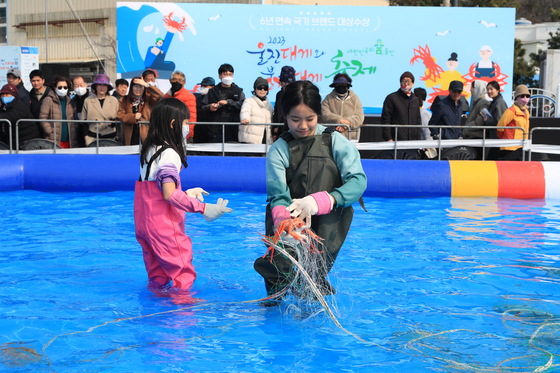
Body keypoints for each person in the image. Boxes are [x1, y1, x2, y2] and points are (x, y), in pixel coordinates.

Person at [253, 80, 367, 296]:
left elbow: (358, 181)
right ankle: (274, 300)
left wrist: (324, 200)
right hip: (290, 219)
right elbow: (278, 195)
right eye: (295, 120)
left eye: (310, 119)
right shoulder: (279, 149)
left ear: (318, 116)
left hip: (327, 218)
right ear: (285, 116)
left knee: (313, 275)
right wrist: (285, 221)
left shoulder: (336, 142)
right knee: (280, 268)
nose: (303, 126)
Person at [135, 98, 232, 289]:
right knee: (183, 275)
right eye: (186, 122)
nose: (188, 127)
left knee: (158, 278)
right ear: (174, 124)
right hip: (164, 227)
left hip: (144, 225)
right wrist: (203, 207)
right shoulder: (170, 152)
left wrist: (186, 193)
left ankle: (156, 316)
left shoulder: (149, 149)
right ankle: (183, 316)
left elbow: (157, 189)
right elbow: (169, 195)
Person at [201, 63, 245, 143]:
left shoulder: (239, 91)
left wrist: (228, 102)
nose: (228, 76)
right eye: (225, 74)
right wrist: (210, 107)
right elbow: (203, 107)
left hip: (233, 130)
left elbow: (243, 105)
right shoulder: (212, 91)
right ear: (220, 76)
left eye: (230, 74)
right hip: (215, 131)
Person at [118, 76, 163, 145]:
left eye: (141, 87)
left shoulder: (149, 98)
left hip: (146, 134)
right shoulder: (124, 100)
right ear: (131, 88)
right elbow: (120, 115)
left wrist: (146, 84)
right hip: (130, 134)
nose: (138, 89)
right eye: (135, 86)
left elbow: (159, 95)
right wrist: (133, 117)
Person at [321, 73, 364, 141]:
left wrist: (347, 123)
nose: (340, 86)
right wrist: (340, 120)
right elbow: (325, 114)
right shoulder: (328, 98)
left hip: (351, 137)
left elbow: (360, 116)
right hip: (332, 136)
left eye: (343, 84)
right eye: (338, 84)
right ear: (334, 85)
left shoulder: (355, 98)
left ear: (347, 86)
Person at [39, 75, 78, 148]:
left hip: (70, 140)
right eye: (60, 87)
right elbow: (42, 117)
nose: (63, 89)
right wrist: (50, 132)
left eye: (65, 87)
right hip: (54, 139)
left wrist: (75, 129)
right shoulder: (48, 100)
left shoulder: (70, 101)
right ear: (54, 87)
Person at [381, 71, 421, 142]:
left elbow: (417, 121)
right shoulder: (392, 98)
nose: (406, 84)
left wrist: (418, 139)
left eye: (408, 81)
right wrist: (388, 138)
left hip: (413, 141)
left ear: (413, 83)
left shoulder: (415, 100)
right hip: (396, 140)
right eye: (403, 81)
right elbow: (386, 119)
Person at [82, 74, 119, 146]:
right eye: (99, 85)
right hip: (92, 137)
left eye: (104, 85)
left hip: (110, 136)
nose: (102, 87)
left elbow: (119, 118)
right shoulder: (88, 100)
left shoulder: (114, 100)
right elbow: (83, 121)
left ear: (108, 87)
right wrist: (86, 136)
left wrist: (112, 122)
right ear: (95, 86)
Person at [0, 84, 40, 149]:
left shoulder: (19, 106)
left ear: (14, 96)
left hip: (27, 140)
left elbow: (9, 117)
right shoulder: (4, 107)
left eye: (7, 94)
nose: (4, 96)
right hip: (14, 139)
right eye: (2, 94)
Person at [497, 84, 531, 160]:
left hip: (522, 147)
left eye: (527, 96)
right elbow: (500, 127)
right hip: (510, 147)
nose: (525, 98)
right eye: (522, 96)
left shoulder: (526, 111)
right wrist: (505, 139)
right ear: (517, 97)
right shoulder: (511, 111)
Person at [164, 71, 197, 143]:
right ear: (170, 81)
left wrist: (188, 134)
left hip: (183, 134)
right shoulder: (166, 96)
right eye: (174, 79)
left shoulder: (189, 96)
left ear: (184, 83)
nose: (176, 82)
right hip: (168, 133)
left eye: (180, 80)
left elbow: (191, 117)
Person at [239, 77, 273, 144]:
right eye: (260, 88)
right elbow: (245, 111)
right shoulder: (249, 101)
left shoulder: (269, 105)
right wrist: (245, 118)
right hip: (250, 139)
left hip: (265, 140)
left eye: (265, 88)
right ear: (255, 89)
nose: (262, 90)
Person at [482, 80, 508, 159]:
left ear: (498, 90)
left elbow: (499, 122)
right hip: (495, 137)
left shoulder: (499, 102)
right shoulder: (495, 102)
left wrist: (487, 121)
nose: (489, 91)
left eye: (491, 89)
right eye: (488, 89)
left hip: (497, 138)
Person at [272, 65, 296, 141]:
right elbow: (276, 112)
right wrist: (275, 129)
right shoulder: (279, 94)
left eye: (287, 84)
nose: (284, 86)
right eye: (282, 83)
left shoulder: (297, 94)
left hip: (293, 130)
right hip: (281, 131)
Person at [193, 76, 215, 143]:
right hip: (197, 131)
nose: (202, 88)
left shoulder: (216, 99)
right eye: (202, 86)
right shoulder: (196, 98)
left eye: (205, 86)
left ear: (212, 87)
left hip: (210, 132)